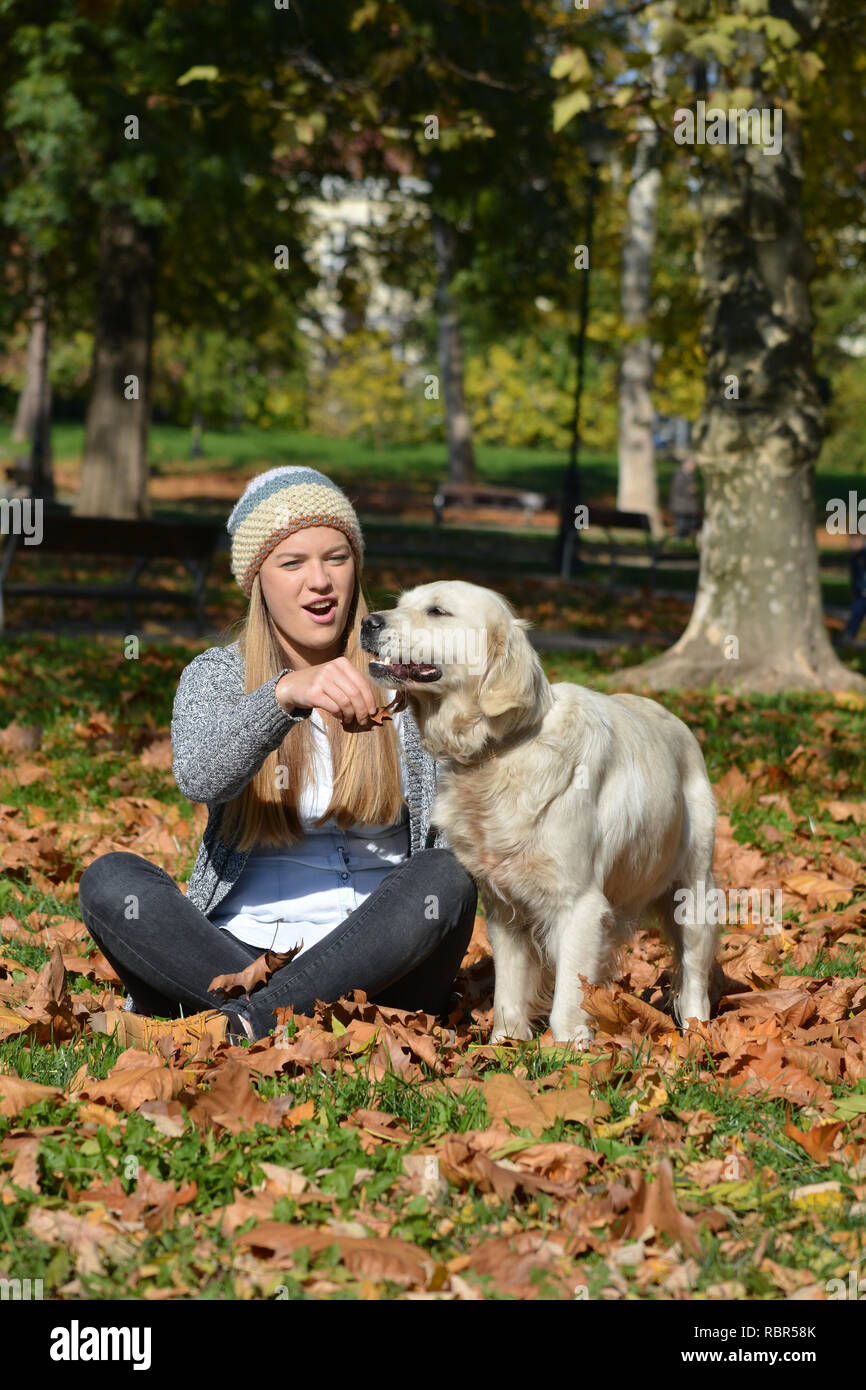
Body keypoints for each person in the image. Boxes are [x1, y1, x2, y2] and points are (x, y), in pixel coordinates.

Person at [78, 466, 478, 1045]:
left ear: (356, 566)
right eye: (292, 563)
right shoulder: (218, 675)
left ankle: (246, 1026)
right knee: (112, 879)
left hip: (386, 970)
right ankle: (265, 1017)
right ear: (257, 580)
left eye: (336, 558)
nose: (320, 581)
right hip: (234, 960)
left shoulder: (412, 677)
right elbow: (199, 775)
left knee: (445, 874)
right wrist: (284, 695)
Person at [669, 457, 701, 541]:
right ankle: (678, 541)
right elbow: (677, 489)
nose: (694, 467)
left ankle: (685, 541)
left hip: (689, 506)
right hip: (681, 506)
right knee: (681, 524)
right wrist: (690, 490)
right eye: (692, 465)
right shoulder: (679, 475)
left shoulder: (691, 475)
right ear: (686, 465)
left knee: (689, 524)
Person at [842, 534, 866, 643]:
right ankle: (848, 637)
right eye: (851, 541)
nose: (853, 544)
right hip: (860, 593)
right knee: (856, 614)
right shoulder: (854, 558)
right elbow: (854, 577)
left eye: (856, 540)